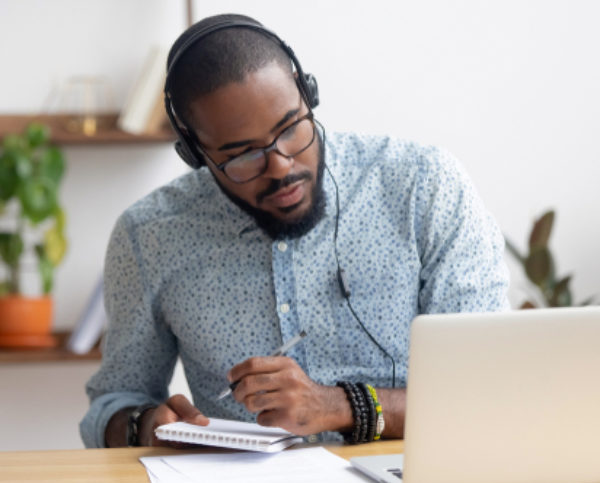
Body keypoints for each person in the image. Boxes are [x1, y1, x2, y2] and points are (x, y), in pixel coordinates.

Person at [80, 13, 509, 448]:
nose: (281, 166)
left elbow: (491, 389)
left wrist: (338, 406)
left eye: (290, 128)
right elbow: (112, 404)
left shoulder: (424, 186)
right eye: (242, 155)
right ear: (196, 154)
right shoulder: (149, 235)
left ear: (309, 94)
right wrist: (144, 425)